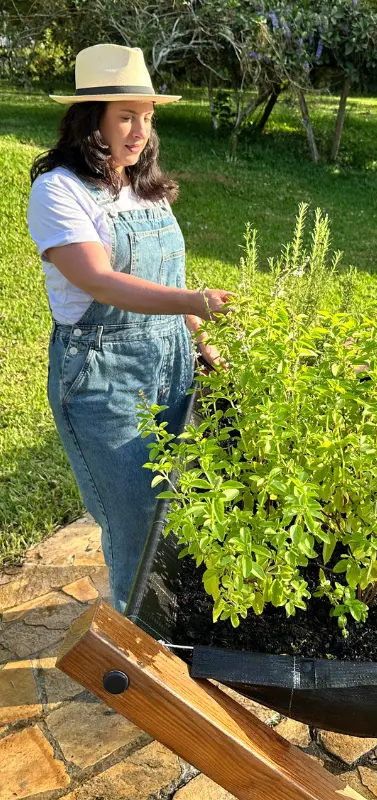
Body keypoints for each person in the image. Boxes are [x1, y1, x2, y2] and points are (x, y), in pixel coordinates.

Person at [27, 43, 234, 613]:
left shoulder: (142, 186)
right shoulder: (58, 190)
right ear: (89, 119)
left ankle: (167, 633)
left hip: (171, 360)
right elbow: (99, 280)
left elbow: (169, 272)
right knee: (136, 520)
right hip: (104, 375)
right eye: (125, 116)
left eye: (147, 116)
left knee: (179, 507)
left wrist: (200, 338)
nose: (139, 130)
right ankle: (140, 660)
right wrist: (194, 300)